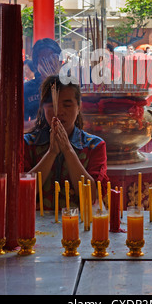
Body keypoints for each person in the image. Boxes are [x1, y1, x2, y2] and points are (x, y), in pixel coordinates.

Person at [24, 75, 109, 210]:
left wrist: (68, 150)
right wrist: (51, 153)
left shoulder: (94, 146)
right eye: (52, 105)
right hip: (36, 226)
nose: (59, 111)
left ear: (79, 106)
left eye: (67, 105)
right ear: (42, 107)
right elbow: (22, 193)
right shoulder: (28, 144)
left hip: (79, 225)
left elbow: (93, 196)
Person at [24, 38, 62, 132]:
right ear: (36, 65)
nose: (49, 64)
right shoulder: (27, 89)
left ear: (60, 61)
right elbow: (20, 125)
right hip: (37, 141)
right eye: (44, 60)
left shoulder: (68, 87)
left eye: (52, 59)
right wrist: (43, 121)